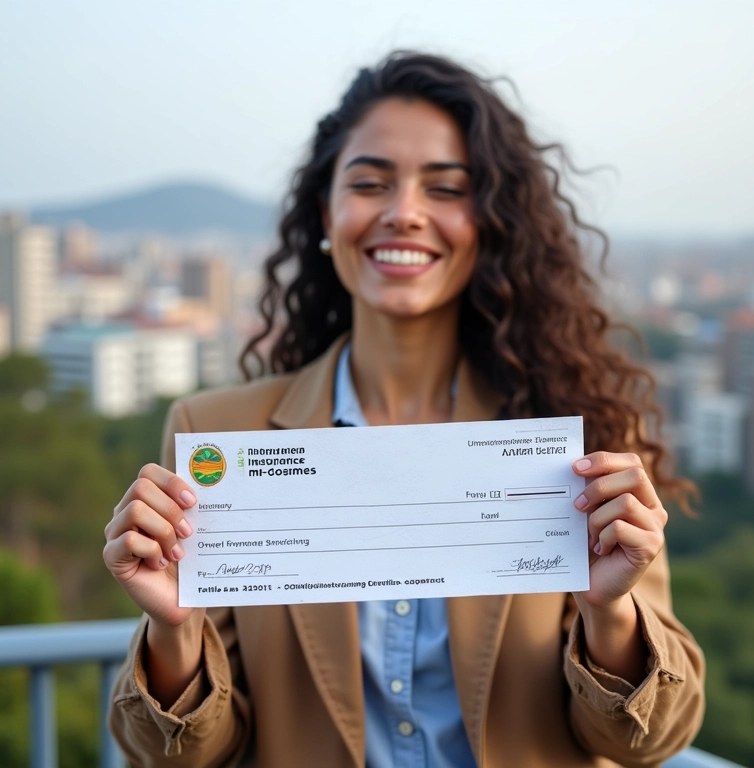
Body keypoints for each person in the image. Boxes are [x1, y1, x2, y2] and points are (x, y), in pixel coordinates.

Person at [104, 52, 705, 768]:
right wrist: (175, 633)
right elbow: (181, 756)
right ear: (324, 213)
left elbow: (654, 739)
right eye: (368, 183)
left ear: (490, 223)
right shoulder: (214, 434)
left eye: (446, 188)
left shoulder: (580, 438)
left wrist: (610, 614)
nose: (404, 213)